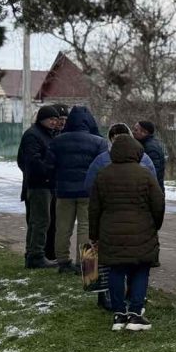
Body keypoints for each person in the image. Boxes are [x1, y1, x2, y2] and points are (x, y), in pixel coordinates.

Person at [88, 134, 165, 332]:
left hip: (110, 231)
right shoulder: (145, 174)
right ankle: (136, 313)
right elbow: (158, 204)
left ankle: (119, 314)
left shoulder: (103, 174)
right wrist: (155, 225)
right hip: (142, 230)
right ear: (137, 153)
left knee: (116, 270)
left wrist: (94, 233)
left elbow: (94, 207)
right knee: (140, 269)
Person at [46, 105, 107, 274]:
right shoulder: (99, 142)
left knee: (63, 227)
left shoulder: (57, 140)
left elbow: (49, 166)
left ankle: (63, 262)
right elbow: (102, 168)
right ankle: (85, 265)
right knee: (86, 227)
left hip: (64, 191)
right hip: (88, 192)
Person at [16, 105, 61, 269]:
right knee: (41, 221)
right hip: (38, 185)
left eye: (56, 120)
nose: (54, 122)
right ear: (42, 119)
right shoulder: (33, 135)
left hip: (44, 184)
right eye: (51, 119)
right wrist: (49, 171)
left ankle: (33, 254)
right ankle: (36, 256)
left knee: (39, 221)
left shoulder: (45, 134)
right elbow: (32, 161)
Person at [86, 124, 158, 191]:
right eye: (116, 139)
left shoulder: (143, 158)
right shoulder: (101, 159)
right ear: (110, 139)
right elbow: (91, 184)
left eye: (123, 138)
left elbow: (152, 184)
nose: (120, 142)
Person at [131, 120, 166, 191]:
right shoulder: (144, 144)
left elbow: (152, 172)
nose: (133, 132)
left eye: (136, 130)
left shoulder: (150, 148)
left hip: (151, 191)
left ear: (144, 132)